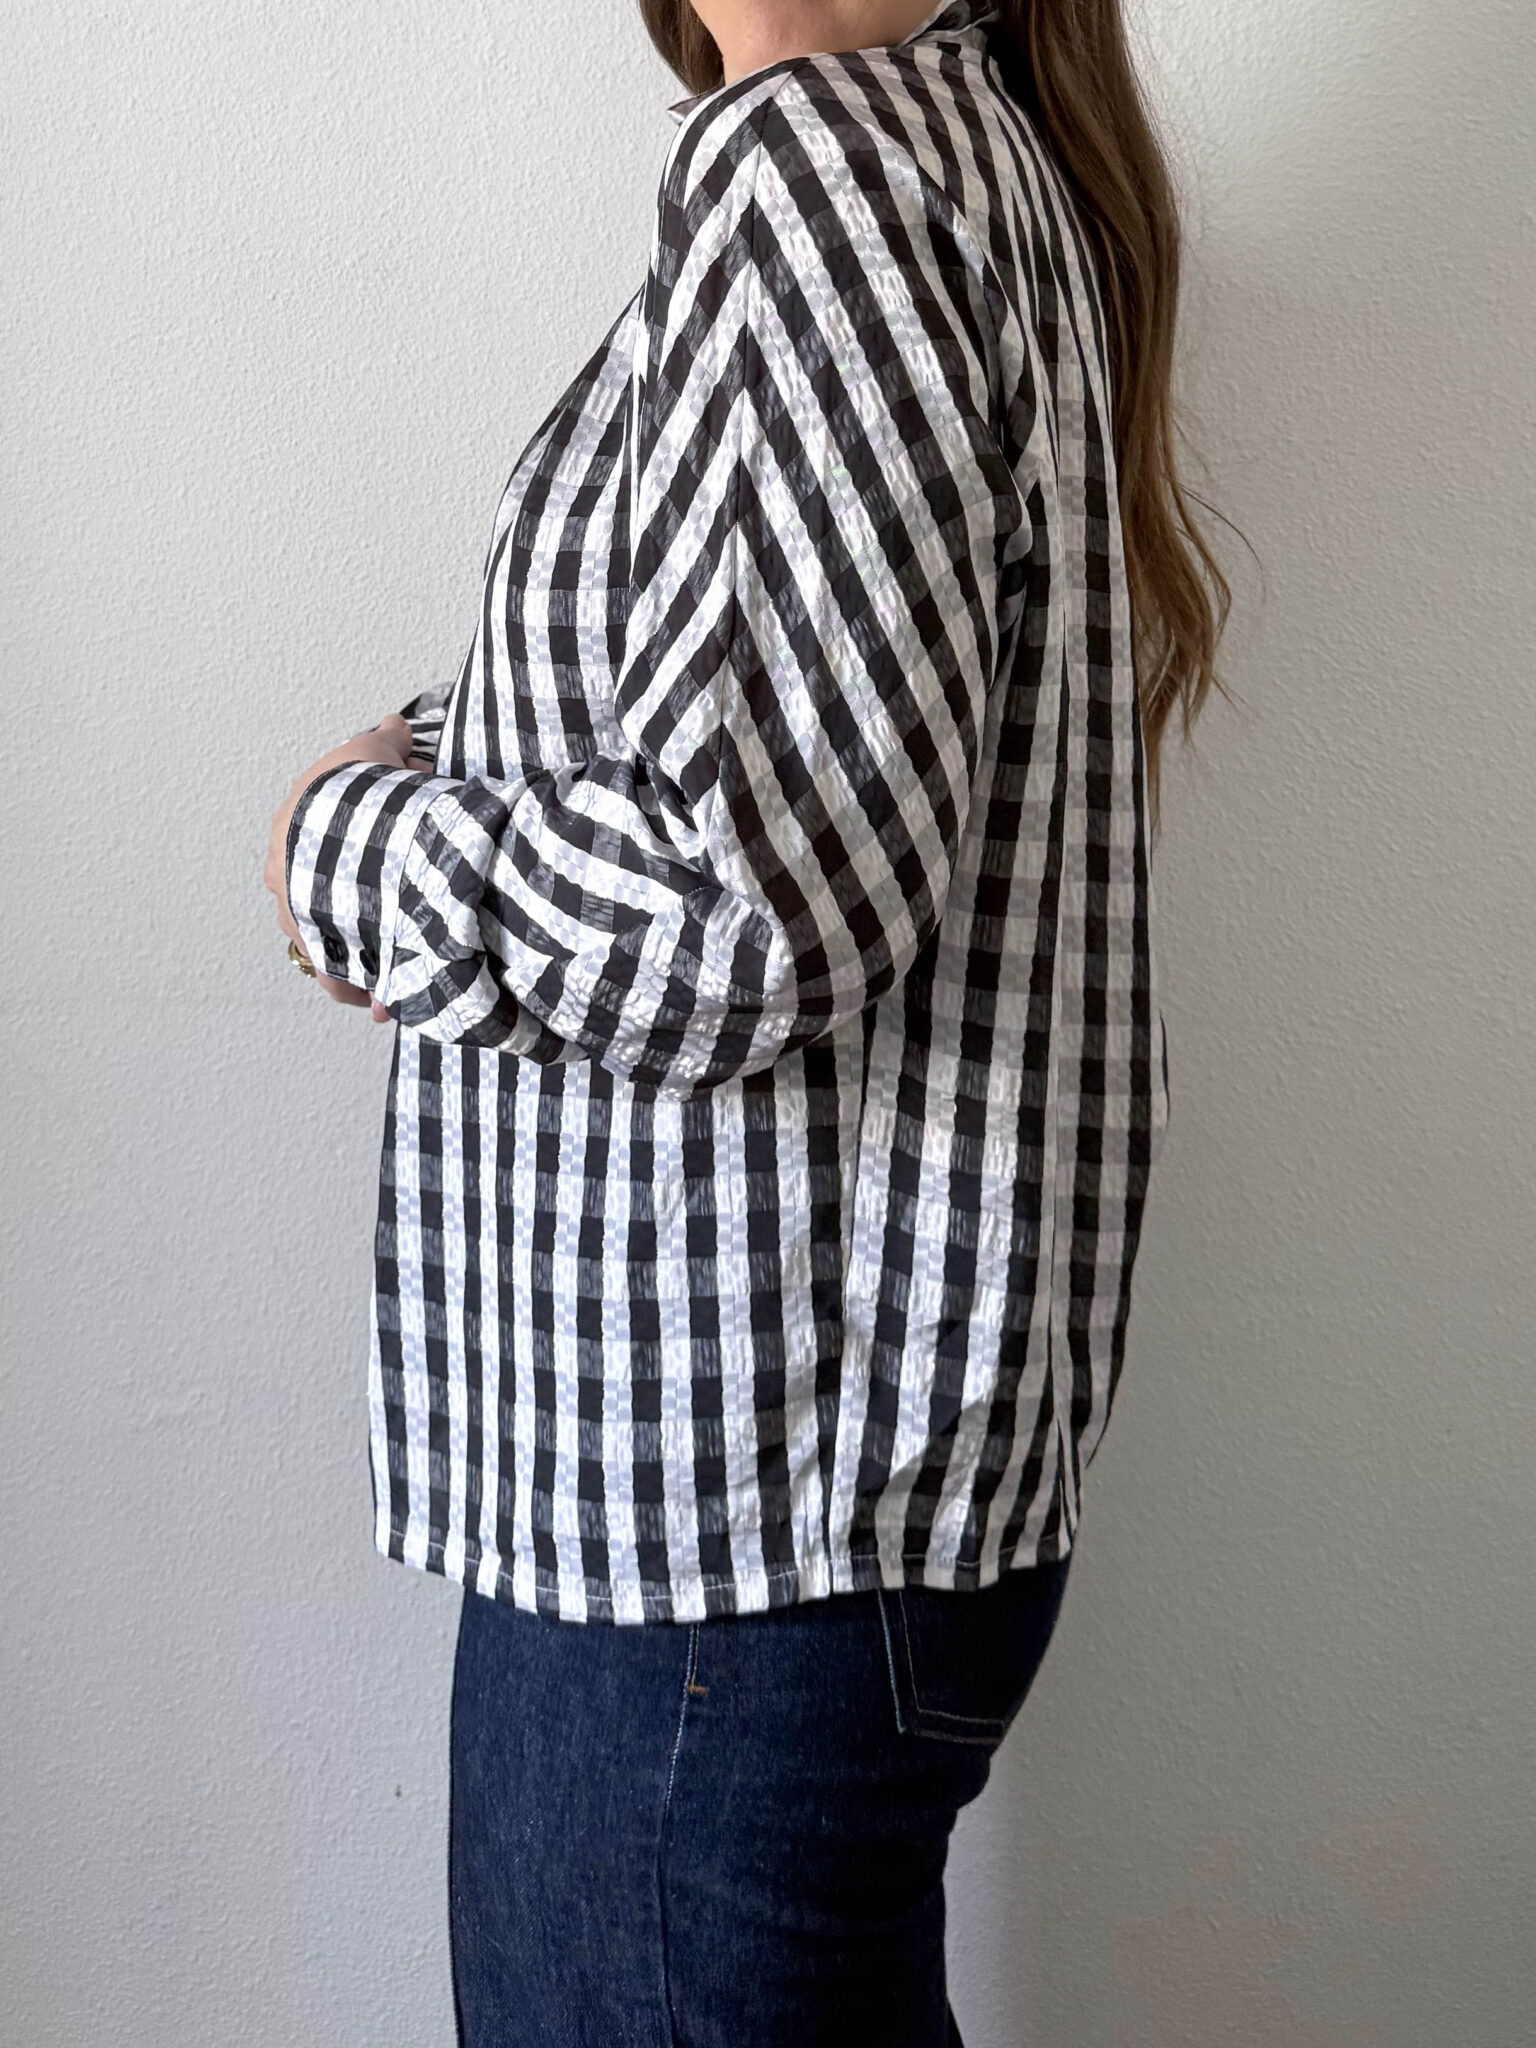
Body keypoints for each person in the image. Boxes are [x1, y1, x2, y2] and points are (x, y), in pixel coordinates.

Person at [262, 2, 1229, 2040]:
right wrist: (448, 753)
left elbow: (761, 898)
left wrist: (355, 852)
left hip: (719, 1520)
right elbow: (744, 705)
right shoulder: (960, 153)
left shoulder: (822, 175)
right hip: (796, 1518)